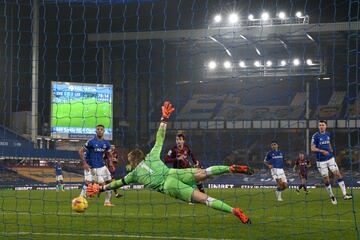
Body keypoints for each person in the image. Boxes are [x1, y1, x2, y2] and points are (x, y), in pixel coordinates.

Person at [87, 101, 253, 224]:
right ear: (142, 156)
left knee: (206, 199)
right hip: (174, 172)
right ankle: (230, 168)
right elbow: (160, 137)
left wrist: (100, 188)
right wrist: (164, 118)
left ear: (132, 161)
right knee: (206, 172)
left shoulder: (134, 174)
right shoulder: (151, 155)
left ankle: (234, 211)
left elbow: (116, 183)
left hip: (169, 185)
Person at [311, 120, 352, 204]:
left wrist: (331, 149)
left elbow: (328, 142)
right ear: (318, 126)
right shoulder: (315, 136)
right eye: (320, 125)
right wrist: (322, 151)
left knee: (338, 174)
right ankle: (332, 196)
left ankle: (345, 194)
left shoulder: (328, 134)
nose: (321, 126)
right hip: (321, 161)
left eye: (323, 125)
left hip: (330, 158)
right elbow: (312, 148)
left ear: (326, 126)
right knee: (326, 179)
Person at [79, 124, 115, 206]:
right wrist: (84, 163)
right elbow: (80, 151)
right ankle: (80, 199)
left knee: (109, 182)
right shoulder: (91, 142)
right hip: (91, 166)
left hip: (102, 166)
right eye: (98, 129)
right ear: (96, 131)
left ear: (104, 131)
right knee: (88, 182)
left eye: (101, 129)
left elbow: (109, 154)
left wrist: (111, 163)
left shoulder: (106, 143)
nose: (99, 130)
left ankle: (107, 202)